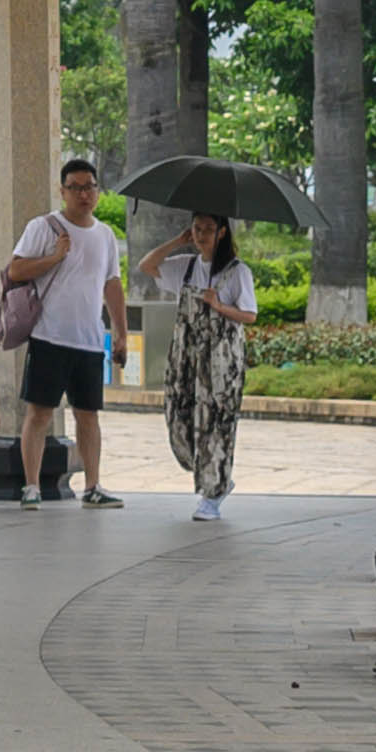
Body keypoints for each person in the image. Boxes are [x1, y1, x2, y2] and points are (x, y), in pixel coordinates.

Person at [1, 155, 131, 508]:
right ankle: (31, 487)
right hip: (49, 337)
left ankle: (93, 486)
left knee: (88, 415)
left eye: (89, 187)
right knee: (40, 413)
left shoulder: (105, 235)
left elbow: (112, 284)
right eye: (75, 188)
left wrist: (120, 333)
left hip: (89, 340)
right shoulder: (44, 227)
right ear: (63, 191)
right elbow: (16, 270)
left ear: (98, 192)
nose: (83, 195)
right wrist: (55, 257)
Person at [146, 206, 256, 518]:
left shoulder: (237, 271)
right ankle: (213, 475)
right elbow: (148, 265)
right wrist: (175, 242)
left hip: (221, 362)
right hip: (187, 358)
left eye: (208, 228)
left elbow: (249, 314)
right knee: (180, 417)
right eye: (196, 228)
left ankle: (213, 494)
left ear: (222, 232)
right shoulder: (187, 265)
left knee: (215, 423)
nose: (201, 235)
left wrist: (218, 305)